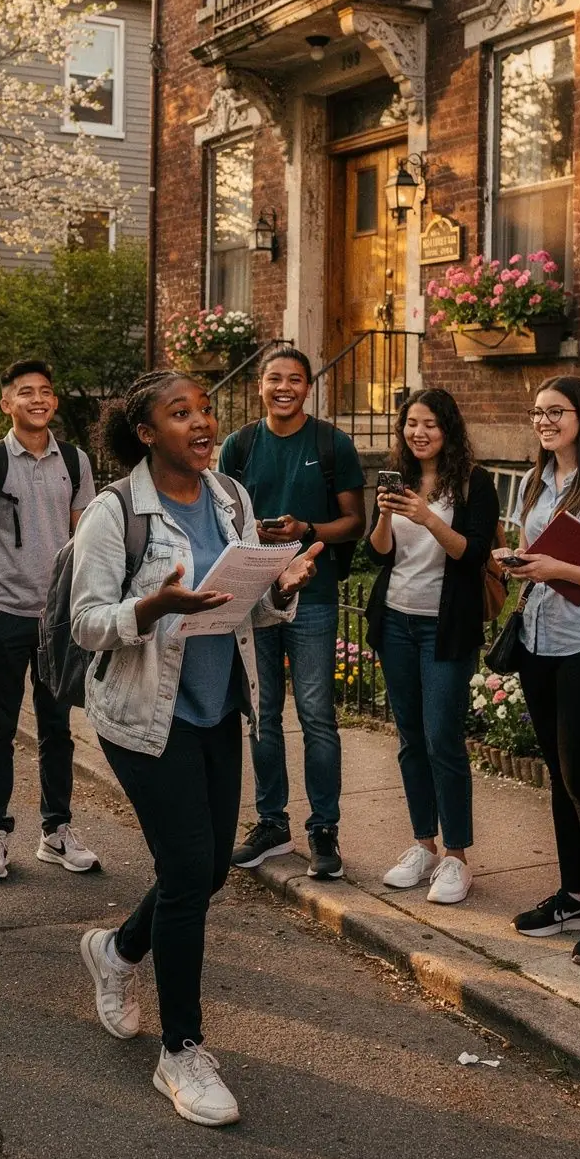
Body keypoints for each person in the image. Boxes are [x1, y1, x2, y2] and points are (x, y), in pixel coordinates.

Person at [71, 370, 321, 1128]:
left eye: (206, 409)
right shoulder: (116, 511)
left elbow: (246, 605)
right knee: (186, 870)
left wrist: (282, 583)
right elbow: (86, 621)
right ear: (145, 432)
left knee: (209, 868)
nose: (202, 422)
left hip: (217, 705)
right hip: (146, 716)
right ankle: (180, 1052)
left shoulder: (230, 497)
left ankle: (116, 950)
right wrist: (154, 607)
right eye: (181, 413)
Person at [222, 347, 365, 879]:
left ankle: (324, 829)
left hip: (314, 596)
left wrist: (307, 530)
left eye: (296, 379)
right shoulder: (239, 445)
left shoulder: (332, 443)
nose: (285, 387)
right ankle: (271, 824)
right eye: (275, 378)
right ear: (260, 385)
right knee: (263, 716)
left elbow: (353, 521)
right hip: (254, 596)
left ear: (309, 387)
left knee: (317, 716)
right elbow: (222, 516)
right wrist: (253, 532)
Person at [366, 388, 499, 904]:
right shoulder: (397, 479)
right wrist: (384, 516)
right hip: (396, 621)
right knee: (410, 737)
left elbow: (472, 554)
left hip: (444, 628)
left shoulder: (474, 483)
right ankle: (423, 843)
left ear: (449, 429)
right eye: (411, 424)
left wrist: (427, 517)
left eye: (430, 425)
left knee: (443, 738)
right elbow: (380, 556)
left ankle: (457, 857)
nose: (418, 433)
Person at [0, 359, 98, 882]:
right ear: (7, 404)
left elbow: (86, 537)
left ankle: (57, 831)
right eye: (26, 393)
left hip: (58, 618)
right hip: (5, 611)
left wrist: (81, 603)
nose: (39, 399)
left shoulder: (75, 459)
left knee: (57, 728)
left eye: (46, 391)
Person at [507, 377, 580, 961]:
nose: (544, 421)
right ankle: (575, 893)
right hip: (538, 641)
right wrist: (515, 562)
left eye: (556, 412)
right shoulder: (536, 481)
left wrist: (558, 565)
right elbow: (530, 548)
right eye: (537, 412)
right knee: (559, 779)